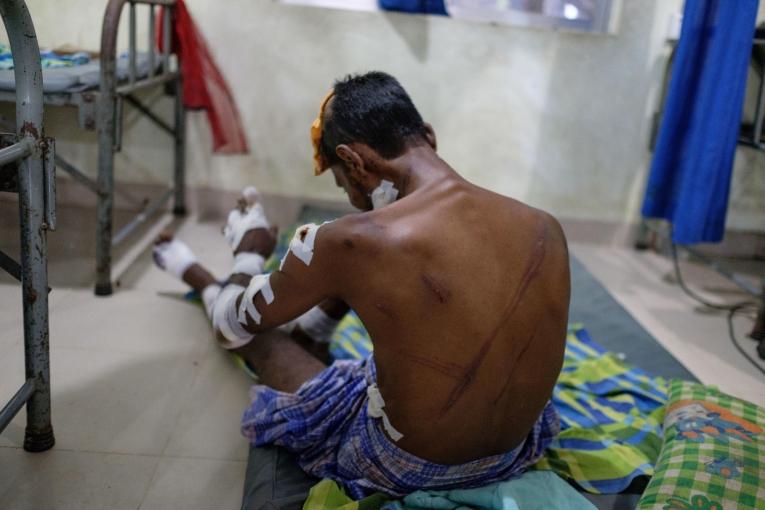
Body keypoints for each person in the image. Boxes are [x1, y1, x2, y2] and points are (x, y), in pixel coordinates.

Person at [153, 71, 570, 498]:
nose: (352, 200)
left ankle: (194, 272)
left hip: (410, 466)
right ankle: (307, 329)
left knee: (259, 336)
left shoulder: (348, 241)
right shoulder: (544, 226)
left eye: (343, 182)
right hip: (517, 449)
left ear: (353, 161)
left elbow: (231, 327)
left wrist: (250, 249)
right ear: (428, 135)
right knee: (356, 277)